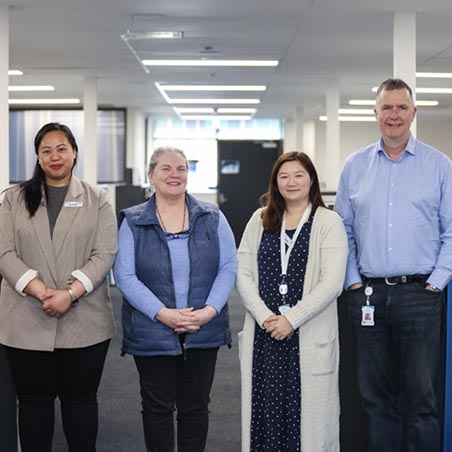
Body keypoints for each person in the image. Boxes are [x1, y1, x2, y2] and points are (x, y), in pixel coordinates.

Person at [335, 78, 452, 452]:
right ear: (375, 114)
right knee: (375, 400)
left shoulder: (439, 165)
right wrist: (353, 281)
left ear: (414, 113)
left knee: (422, 401)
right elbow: (343, 231)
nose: (394, 115)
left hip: (421, 295)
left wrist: (436, 282)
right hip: (367, 297)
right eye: (387, 107)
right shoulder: (355, 166)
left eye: (402, 107)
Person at [0, 122, 118, 452]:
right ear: (37, 157)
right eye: (46, 150)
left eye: (62, 148)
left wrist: (70, 294)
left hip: (84, 321)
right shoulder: (14, 199)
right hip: (25, 318)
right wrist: (39, 290)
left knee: (80, 404)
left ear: (75, 152)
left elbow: (105, 251)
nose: (55, 156)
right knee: (34, 404)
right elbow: (4, 252)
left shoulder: (98, 199)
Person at [113, 146, 237, 452]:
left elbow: (228, 266)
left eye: (181, 168)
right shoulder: (133, 222)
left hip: (202, 329)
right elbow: (125, 276)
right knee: (157, 409)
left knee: (196, 407)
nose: (175, 175)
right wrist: (162, 313)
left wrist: (209, 311)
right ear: (151, 175)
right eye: (166, 168)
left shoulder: (213, 217)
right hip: (152, 330)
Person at [236, 151, 348, 452]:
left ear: (311, 180)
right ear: (275, 183)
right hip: (265, 337)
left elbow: (332, 283)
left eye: (299, 175)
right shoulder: (259, 221)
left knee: (308, 424)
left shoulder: (328, 222)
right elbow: (243, 273)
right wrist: (265, 318)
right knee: (264, 416)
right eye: (283, 176)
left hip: (306, 335)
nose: (291, 182)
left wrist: (291, 319)